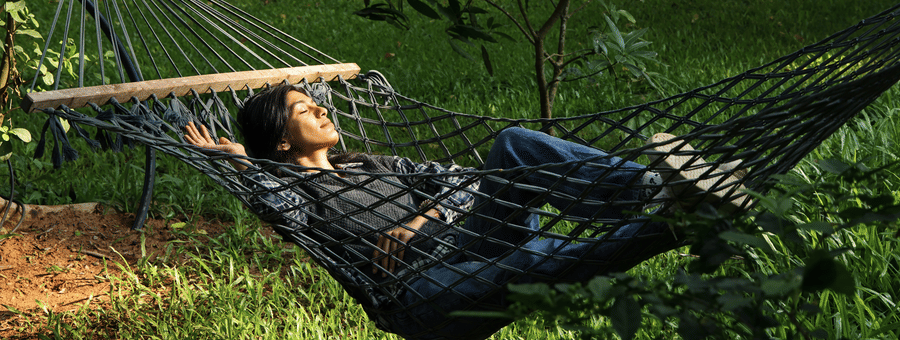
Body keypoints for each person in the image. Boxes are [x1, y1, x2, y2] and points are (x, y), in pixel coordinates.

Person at [183, 83, 746, 340]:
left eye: (317, 101)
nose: (322, 109)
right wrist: (242, 163)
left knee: (515, 146)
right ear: (281, 141)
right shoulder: (297, 195)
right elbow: (275, 207)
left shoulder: (377, 167)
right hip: (421, 293)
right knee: (551, 259)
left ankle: (661, 198)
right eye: (305, 110)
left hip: (472, 242)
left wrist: (419, 219)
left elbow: (464, 184)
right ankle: (673, 209)